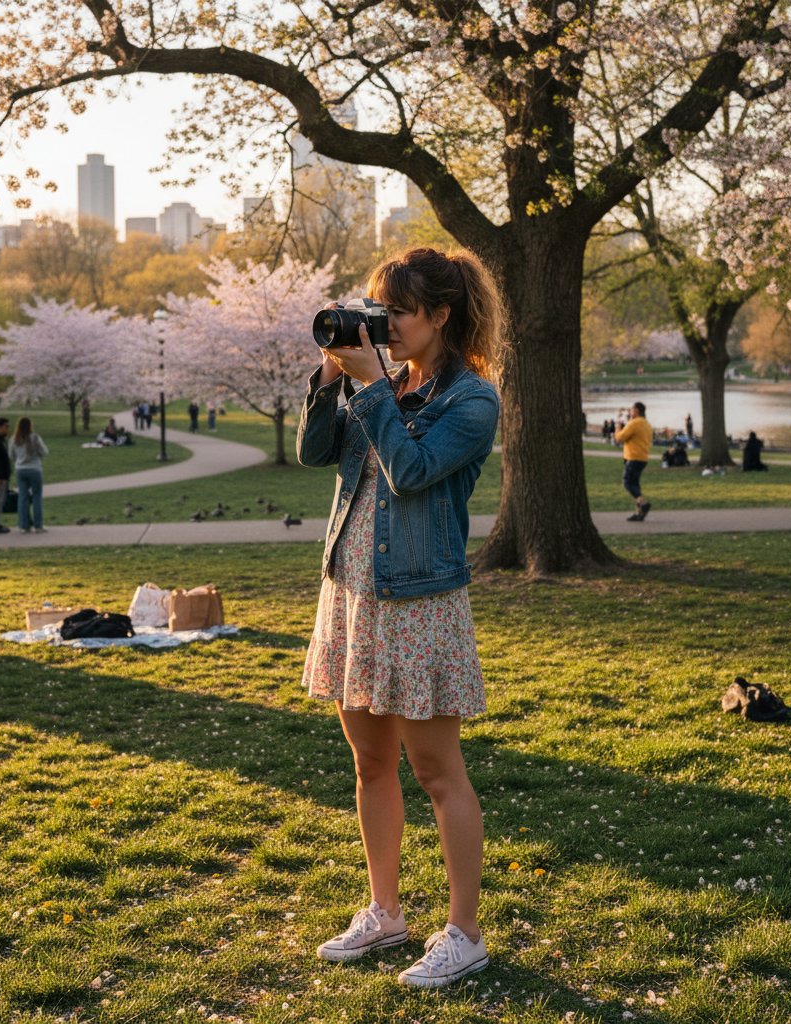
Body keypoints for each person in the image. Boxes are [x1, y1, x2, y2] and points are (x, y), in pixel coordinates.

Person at [298, 246, 500, 989]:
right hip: (351, 591)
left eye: (399, 314)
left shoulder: (471, 400)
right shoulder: (376, 381)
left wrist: (374, 389)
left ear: (441, 315)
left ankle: (464, 933)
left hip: (418, 603)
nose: (383, 327)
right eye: (376, 313)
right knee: (371, 762)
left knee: (436, 770)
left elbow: (411, 473)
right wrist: (330, 378)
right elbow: (313, 453)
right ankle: (384, 912)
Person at [9, 416, 49, 533]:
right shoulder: (35, 437)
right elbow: (44, 451)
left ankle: (24, 525)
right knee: (36, 497)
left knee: (23, 497)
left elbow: (11, 456)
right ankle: (38, 525)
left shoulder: (14, 439)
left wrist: (19, 458)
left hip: (21, 469)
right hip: (35, 468)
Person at [615, 401, 653, 521]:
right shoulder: (646, 423)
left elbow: (620, 437)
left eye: (631, 410)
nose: (630, 412)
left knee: (627, 482)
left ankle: (643, 503)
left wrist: (617, 425)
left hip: (633, 457)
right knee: (635, 484)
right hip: (642, 457)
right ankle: (639, 513)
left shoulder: (634, 423)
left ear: (636, 411)